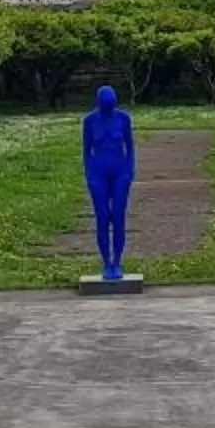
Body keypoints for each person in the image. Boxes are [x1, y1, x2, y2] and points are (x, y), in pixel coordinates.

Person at [81, 83, 135, 282]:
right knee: (102, 217)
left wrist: (130, 171)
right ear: (99, 104)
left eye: (111, 105)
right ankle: (107, 263)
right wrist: (89, 175)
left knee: (118, 216)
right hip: (99, 171)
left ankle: (118, 262)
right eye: (105, 106)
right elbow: (86, 151)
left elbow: (130, 148)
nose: (108, 109)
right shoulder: (89, 121)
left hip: (119, 170)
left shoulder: (123, 118)